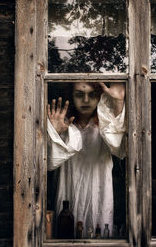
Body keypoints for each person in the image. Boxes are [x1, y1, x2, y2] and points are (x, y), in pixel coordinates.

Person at [47, 82, 126, 238]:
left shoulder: (106, 127)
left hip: (98, 192)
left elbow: (121, 147)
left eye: (92, 95)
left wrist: (118, 103)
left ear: (100, 97)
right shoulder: (64, 125)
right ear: (71, 96)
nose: (85, 100)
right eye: (79, 94)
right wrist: (54, 133)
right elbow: (49, 162)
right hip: (67, 192)